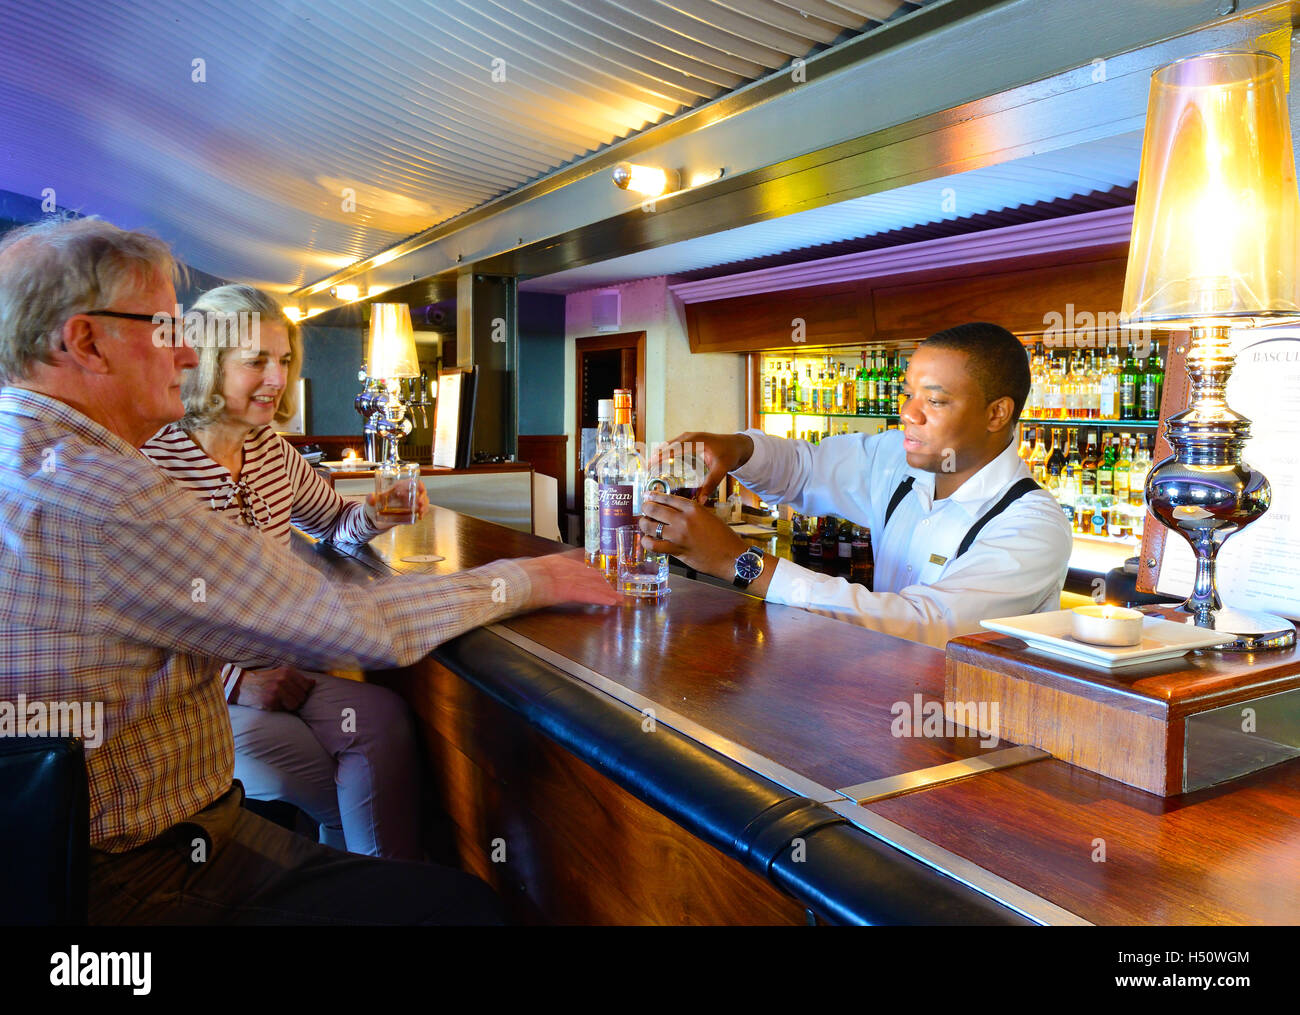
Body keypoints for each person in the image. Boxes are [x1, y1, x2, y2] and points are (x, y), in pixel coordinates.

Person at [0, 216, 619, 924]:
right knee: (459, 908)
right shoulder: (104, 491)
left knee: (375, 743)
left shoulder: (36, 453)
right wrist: (534, 577)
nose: (183, 356)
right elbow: (357, 621)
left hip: (93, 850)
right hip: (136, 874)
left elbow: (324, 533)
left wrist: (377, 517)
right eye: (169, 329)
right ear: (84, 341)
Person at [141, 284, 427, 860]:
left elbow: (332, 526)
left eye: (285, 361)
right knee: (346, 781)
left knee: (384, 718)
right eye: (256, 362)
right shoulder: (152, 458)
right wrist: (236, 682)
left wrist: (375, 515)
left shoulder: (270, 449)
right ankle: (367, 887)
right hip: (188, 693)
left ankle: (363, 890)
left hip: (277, 669)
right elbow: (140, 609)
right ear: (206, 362)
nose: (277, 379)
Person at [638, 322, 1072, 649]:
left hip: (968, 731)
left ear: (997, 413)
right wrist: (737, 450)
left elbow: (928, 624)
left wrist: (740, 561)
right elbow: (804, 469)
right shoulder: (896, 460)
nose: (909, 414)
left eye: (935, 401)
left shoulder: (1032, 525)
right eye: (908, 395)